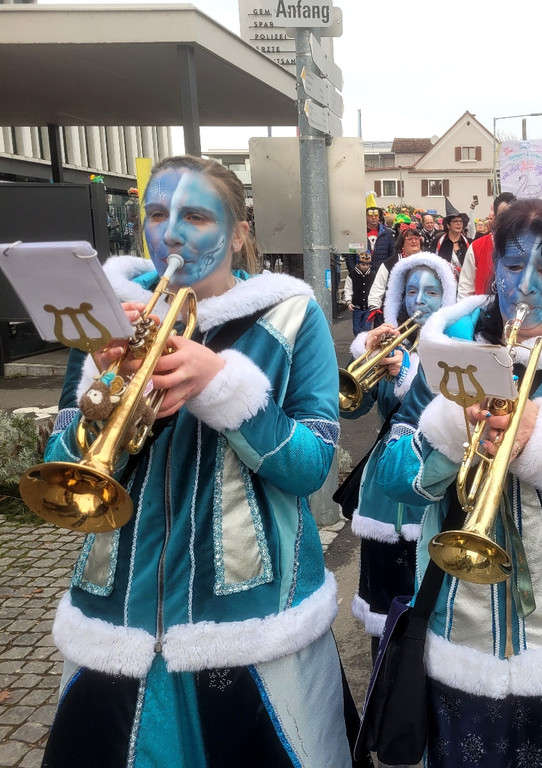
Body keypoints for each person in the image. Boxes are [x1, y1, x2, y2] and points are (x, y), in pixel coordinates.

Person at [41, 155, 352, 767]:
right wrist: (100, 398)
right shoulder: (108, 316)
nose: (171, 234)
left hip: (248, 621)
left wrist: (225, 388)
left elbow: (313, 466)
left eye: (196, 216)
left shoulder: (290, 316)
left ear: (240, 231)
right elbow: (59, 467)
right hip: (117, 622)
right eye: (157, 214)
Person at [376, 199, 542, 767]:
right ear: (492, 262)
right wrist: (451, 428)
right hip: (462, 633)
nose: (525, 286)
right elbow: (391, 473)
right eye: (514, 264)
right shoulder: (448, 351)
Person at [340, 253, 457, 658]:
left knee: (429, 602)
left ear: (448, 297)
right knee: (386, 600)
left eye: (430, 292)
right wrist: (365, 357)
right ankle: (385, 682)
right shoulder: (391, 345)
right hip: (383, 491)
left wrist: (408, 374)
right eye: (410, 292)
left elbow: (446, 413)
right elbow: (351, 405)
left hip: (432, 483)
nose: (419, 301)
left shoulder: (457, 350)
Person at [456, 191, 517, 300]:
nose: (508, 220)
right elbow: (465, 291)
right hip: (483, 313)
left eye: (512, 215)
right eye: (503, 215)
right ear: (495, 217)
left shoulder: (527, 248)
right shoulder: (477, 248)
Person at [367, 226, 428, 313]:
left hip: (423, 309)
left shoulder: (429, 261)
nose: (414, 241)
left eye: (416, 238)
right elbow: (378, 286)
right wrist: (374, 306)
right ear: (402, 243)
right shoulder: (390, 263)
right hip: (396, 311)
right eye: (410, 239)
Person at [342, 250, 379, 334]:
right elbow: (348, 289)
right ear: (358, 263)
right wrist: (348, 302)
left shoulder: (373, 275)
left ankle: (363, 345)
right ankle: (358, 342)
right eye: (363, 264)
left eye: (367, 264)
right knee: (356, 329)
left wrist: (376, 302)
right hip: (357, 307)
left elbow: (376, 289)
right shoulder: (352, 275)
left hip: (368, 307)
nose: (365, 267)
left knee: (366, 329)